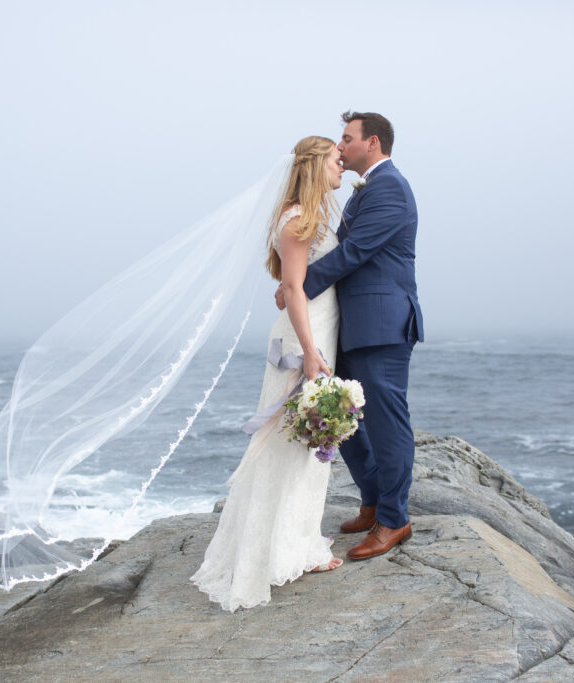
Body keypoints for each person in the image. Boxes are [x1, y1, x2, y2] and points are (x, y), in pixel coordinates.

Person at [190, 135, 346, 611]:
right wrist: (312, 351)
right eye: (337, 162)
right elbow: (295, 288)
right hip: (306, 335)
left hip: (315, 329)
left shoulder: (311, 215)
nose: (343, 170)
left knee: (302, 444)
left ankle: (296, 541)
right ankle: (281, 551)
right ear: (317, 166)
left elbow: (290, 283)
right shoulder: (299, 219)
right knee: (290, 441)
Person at [277, 111, 423, 560]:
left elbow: (357, 252)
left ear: (372, 142)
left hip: (381, 325)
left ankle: (394, 521)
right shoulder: (367, 189)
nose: (340, 148)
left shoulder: (390, 187)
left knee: (386, 424)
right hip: (352, 323)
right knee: (350, 423)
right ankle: (373, 502)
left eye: (347, 138)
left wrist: (297, 286)